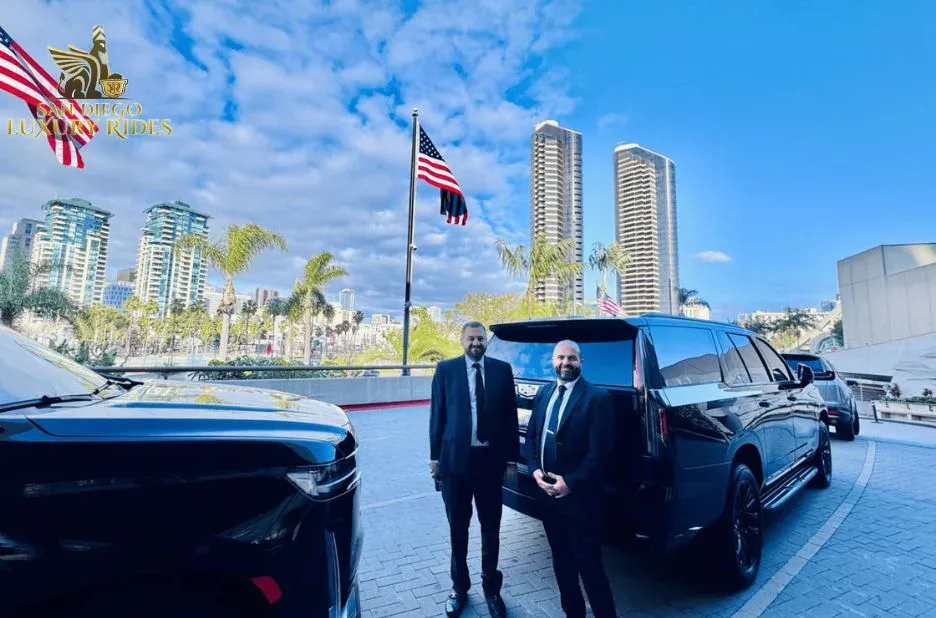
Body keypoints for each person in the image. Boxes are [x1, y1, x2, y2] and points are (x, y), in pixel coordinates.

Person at [429, 321, 520, 617]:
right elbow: (437, 415)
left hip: (490, 463)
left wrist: (511, 459)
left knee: (491, 527)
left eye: (480, 338)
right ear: (461, 340)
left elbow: (510, 418)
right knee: (458, 528)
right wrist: (434, 458)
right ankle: (459, 587)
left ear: (485, 342)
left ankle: (491, 589)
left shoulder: (502, 370)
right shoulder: (446, 370)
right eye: (470, 338)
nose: (475, 343)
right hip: (455, 463)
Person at [524, 339, 617, 618]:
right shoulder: (544, 393)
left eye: (572, 358)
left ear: (581, 362)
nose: (566, 363)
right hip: (548, 497)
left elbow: (601, 453)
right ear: (553, 361)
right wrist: (534, 469)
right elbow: (532, 437)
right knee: (561, 562)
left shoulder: (597, 398)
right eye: (560, 357)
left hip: (581, 500)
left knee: (589, 566)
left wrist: (571, 482)